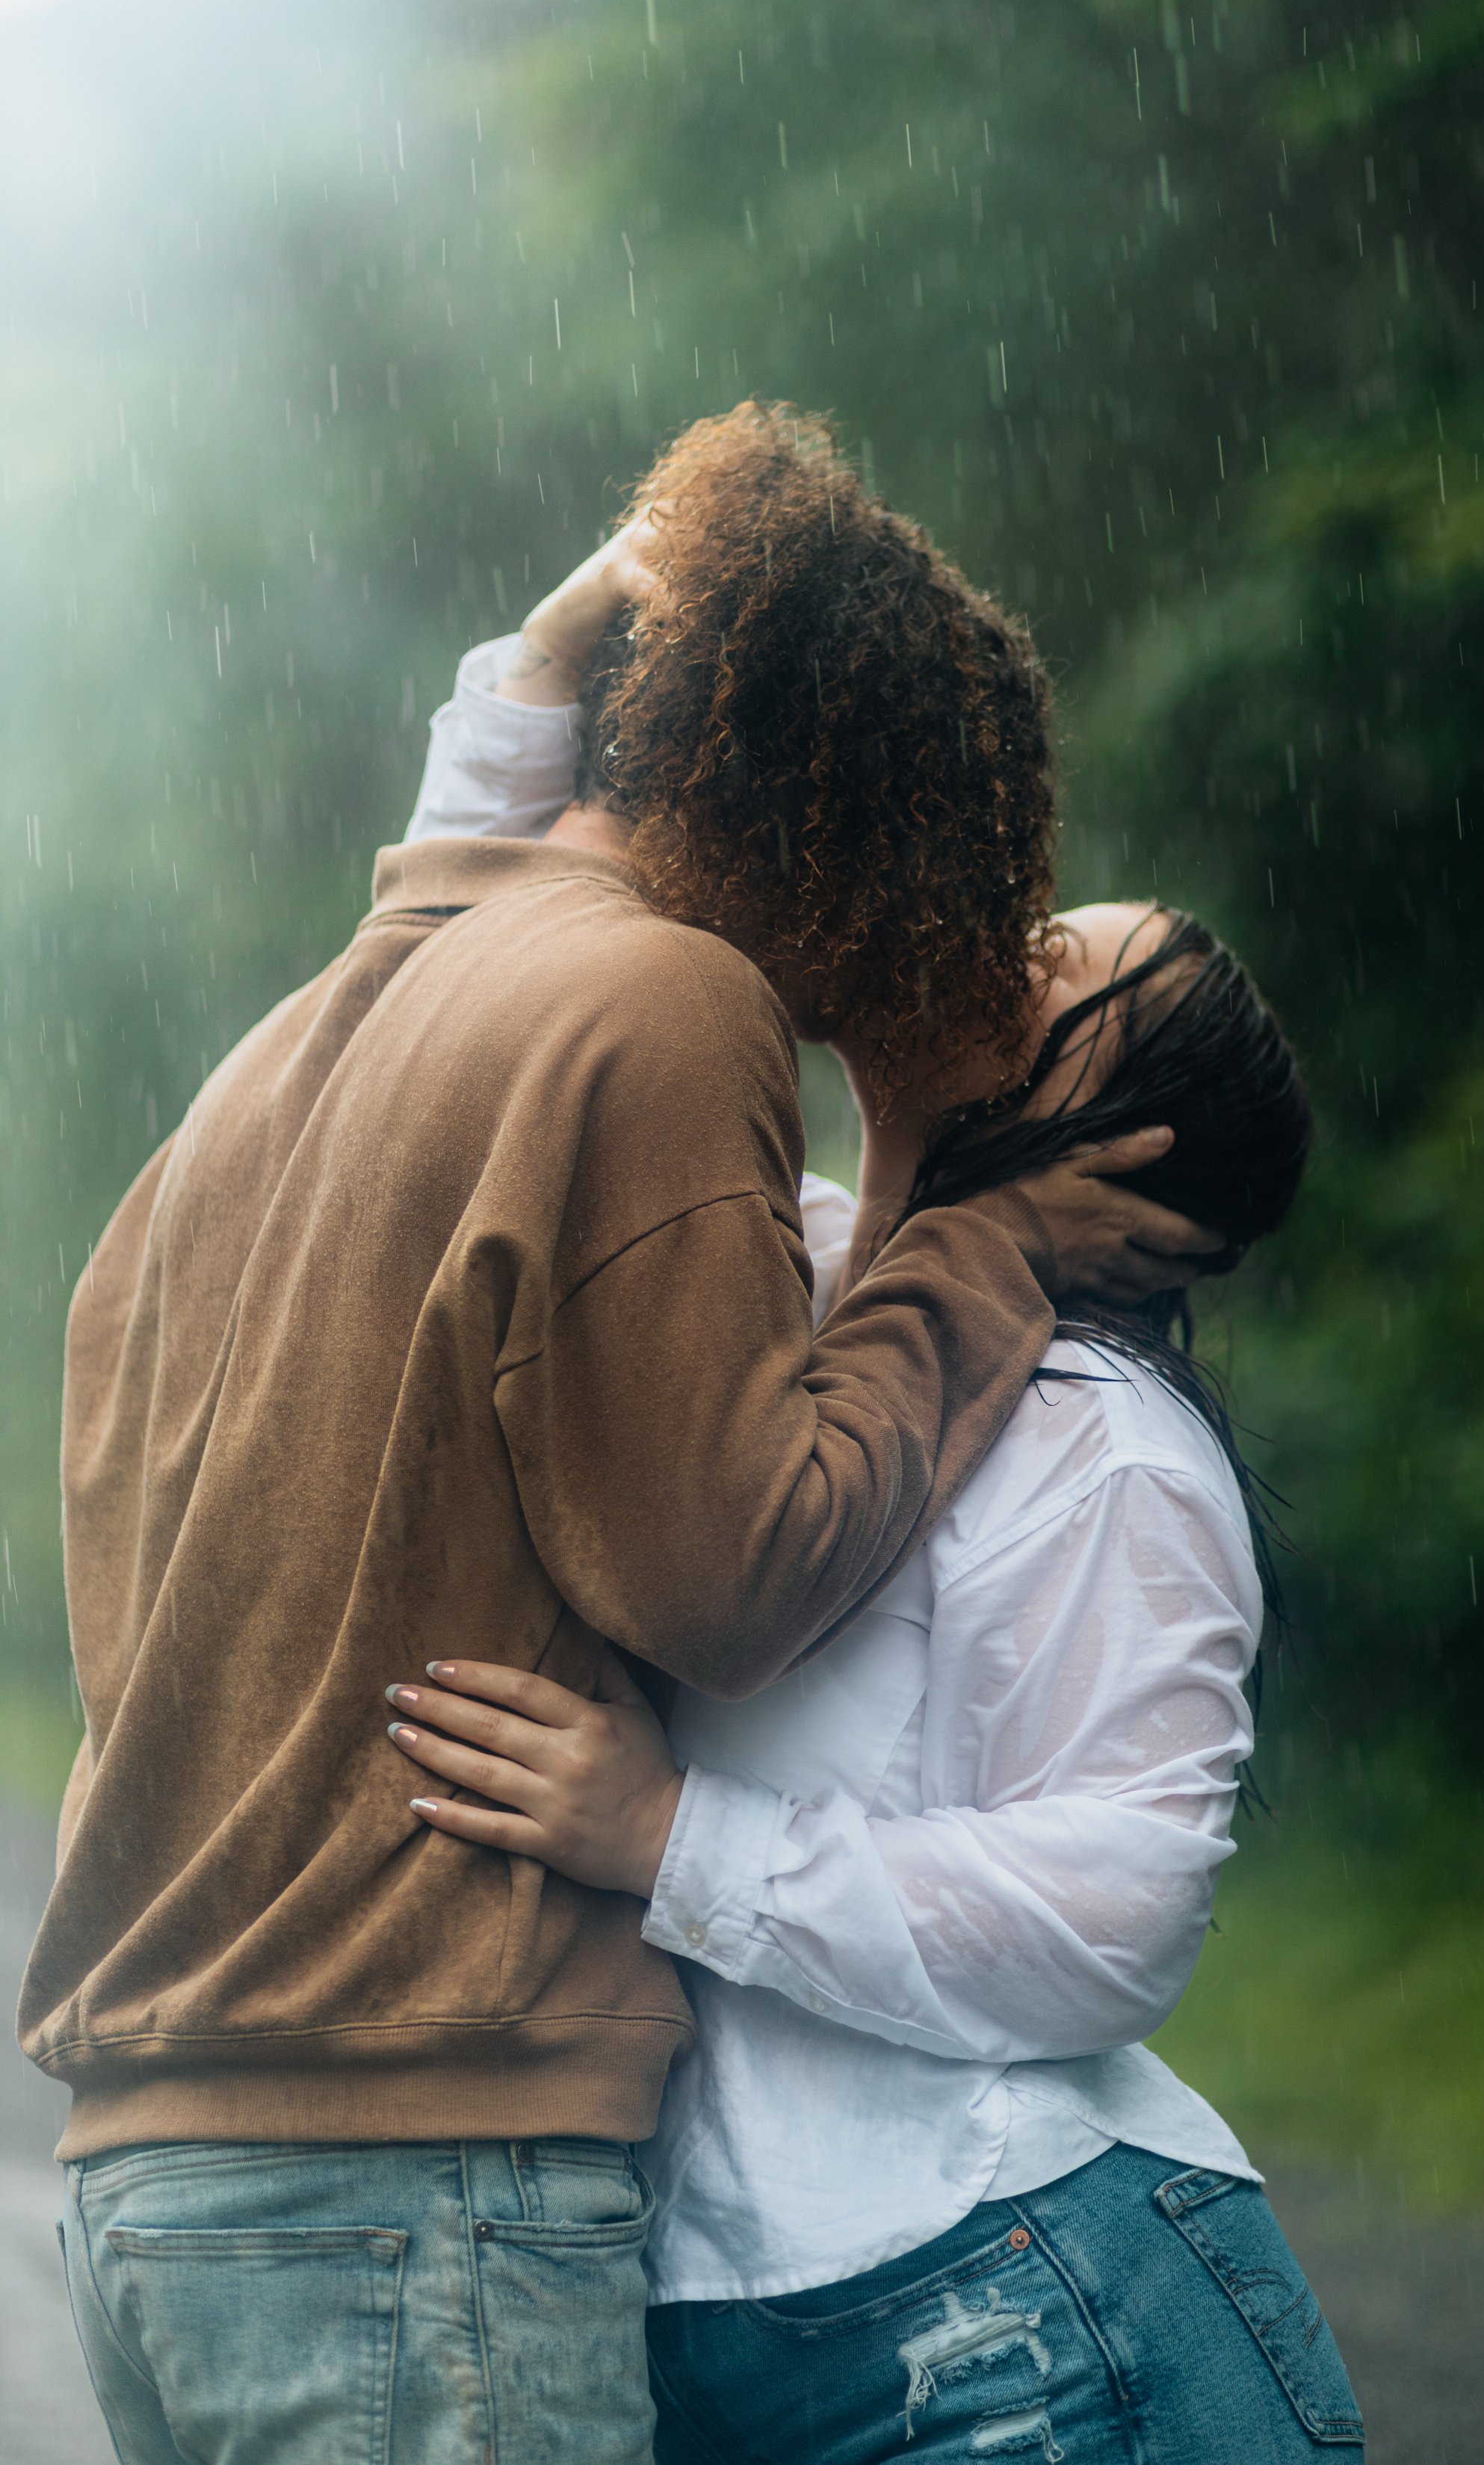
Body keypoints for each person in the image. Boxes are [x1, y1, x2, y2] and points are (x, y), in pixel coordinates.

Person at [25, 403, 1220, 2465]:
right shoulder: (661, 1002)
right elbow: (729, 1572)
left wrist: (534, 677)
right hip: (415, 2186)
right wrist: (993, 1242)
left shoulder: (297, 1050)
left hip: (158, 2177)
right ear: (877, 834)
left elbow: (453, 907)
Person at [364, 593, 1364, 2459]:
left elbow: (1123, 1906)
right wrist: (528, 688)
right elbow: (476, 1024)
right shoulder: (793, 1273)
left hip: (1030, 2318)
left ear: (1116, 1137)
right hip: (732, 2339)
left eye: (1058, 963)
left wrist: (672, 1841)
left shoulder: (1110, 1452)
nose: (1001, 938)